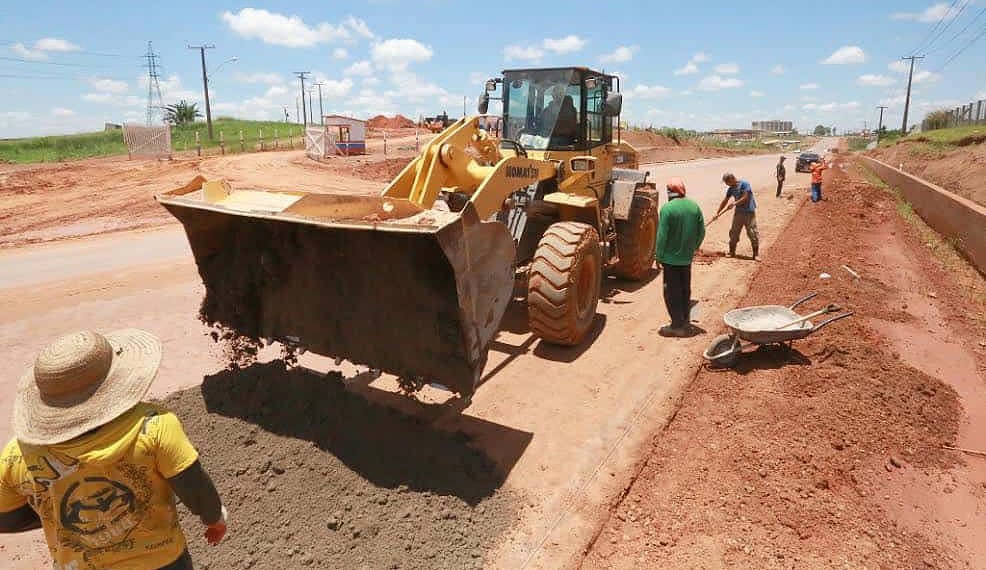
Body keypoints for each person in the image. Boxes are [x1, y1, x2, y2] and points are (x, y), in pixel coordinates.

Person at [0, 329, 227, 570]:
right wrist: (214, 519)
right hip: (162, 562)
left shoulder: (17, 455)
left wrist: (59, 516)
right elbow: (195, 489)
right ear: (114, 380)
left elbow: (6, 519)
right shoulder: (154, 426)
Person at [654, 177, 705, 337]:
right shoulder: (694, 207)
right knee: (685, 289)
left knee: (672, 292)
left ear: (670, 192)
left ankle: (676, 326)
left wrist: (658, 256)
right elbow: (701, 232)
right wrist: (693, 247)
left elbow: (662, 236)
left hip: (670, 260)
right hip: (686, 258)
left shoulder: (667, 209)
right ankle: (686, 321)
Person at [715, 172, 760, 259]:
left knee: (752, 232)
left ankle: (756, 254)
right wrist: (717, 212)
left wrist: (735, 203)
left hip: (749, 212)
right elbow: (725, 200)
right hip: (738, 213)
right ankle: (732, 252)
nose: (726, 184)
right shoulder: (731, 188)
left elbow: (745, 197)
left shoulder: (744, 184)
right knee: (734, 233)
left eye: (726, 182)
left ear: (731, 179)